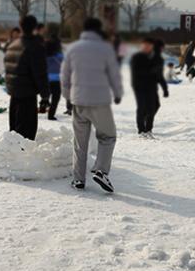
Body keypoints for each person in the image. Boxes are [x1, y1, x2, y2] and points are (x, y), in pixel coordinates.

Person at [61, 17, 123, 193]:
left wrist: (68, 96)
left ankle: (78, 180)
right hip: (100, 101)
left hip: (79, 101)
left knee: (80, 142)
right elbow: (114, 74)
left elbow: (65, 76)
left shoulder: (73, 49)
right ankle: (101, 171)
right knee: (108, 137)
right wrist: (117, 93)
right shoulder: (105, 49)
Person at [4, 15, 48, 140]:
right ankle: (21, 158)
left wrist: (11, 89)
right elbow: (40, 73)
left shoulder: (13, 45)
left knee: (15, 133)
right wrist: (45, 94)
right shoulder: (35, 46)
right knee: (26, 134)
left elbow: (8, 70)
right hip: (27, 96)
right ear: (35, 27)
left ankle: (12, 158)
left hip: (14, 95)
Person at [130, 37, 169, 138]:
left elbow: (159, 75)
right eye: (145, 45)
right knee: (142, 107)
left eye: (149, 45)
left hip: (151, 86)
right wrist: (151, 71)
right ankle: (141, 130)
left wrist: (165, 88)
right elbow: (136, 72)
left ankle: (148, 129)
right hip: (139, 86)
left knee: (152, 108)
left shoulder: (158, 59)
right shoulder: (137, 57)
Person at [43, 30, 64, 121]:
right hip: (55, 80)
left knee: (45, 95)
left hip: (45, 79)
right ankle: (51, 114)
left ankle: (43, 105)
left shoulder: (43, 54)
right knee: (56, 97)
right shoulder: (59, 56)